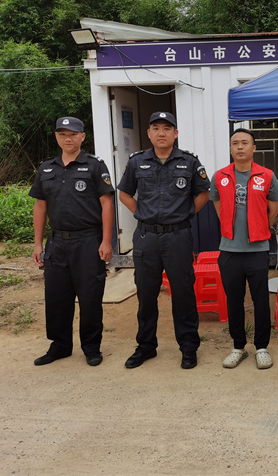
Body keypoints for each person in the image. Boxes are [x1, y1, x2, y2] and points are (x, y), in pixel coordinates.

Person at [117, 111, 210, 370]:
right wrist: (141, 213)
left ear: (175, 134)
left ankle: (188, 347)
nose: (161, 133)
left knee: (183, 293)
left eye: (167, 128)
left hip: (178, 237)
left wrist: (185, 214)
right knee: (146, 294)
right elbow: (124, 193)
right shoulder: (137, 162)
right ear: (148, 133)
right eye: (156, 128)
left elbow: (203, 193)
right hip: (146, 237)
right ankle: (146, 346)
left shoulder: (189, 162)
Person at [30, 116, 114, 367]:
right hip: (57, 243)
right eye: (63, 134)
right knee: (57, 296)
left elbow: (107, 204)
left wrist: (106, 241)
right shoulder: (46, 168)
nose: (68, 139)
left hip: (88, 242)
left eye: (73, 134)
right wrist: (38, 244)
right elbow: (40, 206)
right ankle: (60, 345)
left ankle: (91, 346)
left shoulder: (95, 166)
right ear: (56, 137)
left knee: (90, 297)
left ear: (82, 137)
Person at [210, 128, 278, 370]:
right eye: (235, 143)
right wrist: (231, 230)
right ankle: (238, 346)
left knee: (261, 300)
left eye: (245, 143)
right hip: (229, 250)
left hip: (257, 250)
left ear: (254, 148)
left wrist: (259, 230)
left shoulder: (267, 176)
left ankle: (262, 347)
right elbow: (218, 207)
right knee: (234, 301)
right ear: (230, 148)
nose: (240, 147)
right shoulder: (220, 176)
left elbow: (273, 210)